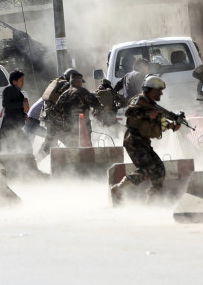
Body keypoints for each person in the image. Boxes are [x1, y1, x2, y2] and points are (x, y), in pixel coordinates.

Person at [110, 76, 181, 205]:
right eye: (158, 90)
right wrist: (148, 114)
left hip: (144, 142)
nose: (161, 93)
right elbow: (129, 114)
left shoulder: (152, 105)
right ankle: (119, 189)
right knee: (148, 167)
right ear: (150, 90)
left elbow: (154, 125)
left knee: (159, 170)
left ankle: (151, 201)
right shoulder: (139, 100)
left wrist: (171, 125)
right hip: (133, 141)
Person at [36, 68, 77, 160]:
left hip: (50, 118)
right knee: (72, 143)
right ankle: (76, 165)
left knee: (49, 143)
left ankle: (36, 161)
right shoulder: (66, 85)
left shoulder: (57, 83)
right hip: (56, 120)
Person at [54, 73, 102, 147]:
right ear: (78, 82)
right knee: (86, 147)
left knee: (72, 148)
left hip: (68, 127)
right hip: (83, 125)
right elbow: (96, 105)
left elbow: (56, 110)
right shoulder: (83, 92)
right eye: (81, 82)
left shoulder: (64, 94)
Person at [0, 70, 32, 153]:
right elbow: (5, 104)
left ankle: (24, 163)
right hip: (9, 127)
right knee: (14, 148)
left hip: (15, 127)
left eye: (23, 80)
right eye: (21, 80)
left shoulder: (19, 93)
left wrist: (24, 115)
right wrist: (22, 105)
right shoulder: (8, 89)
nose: (23, 83)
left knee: (25, 146)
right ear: (14, 82)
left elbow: (19, 109)